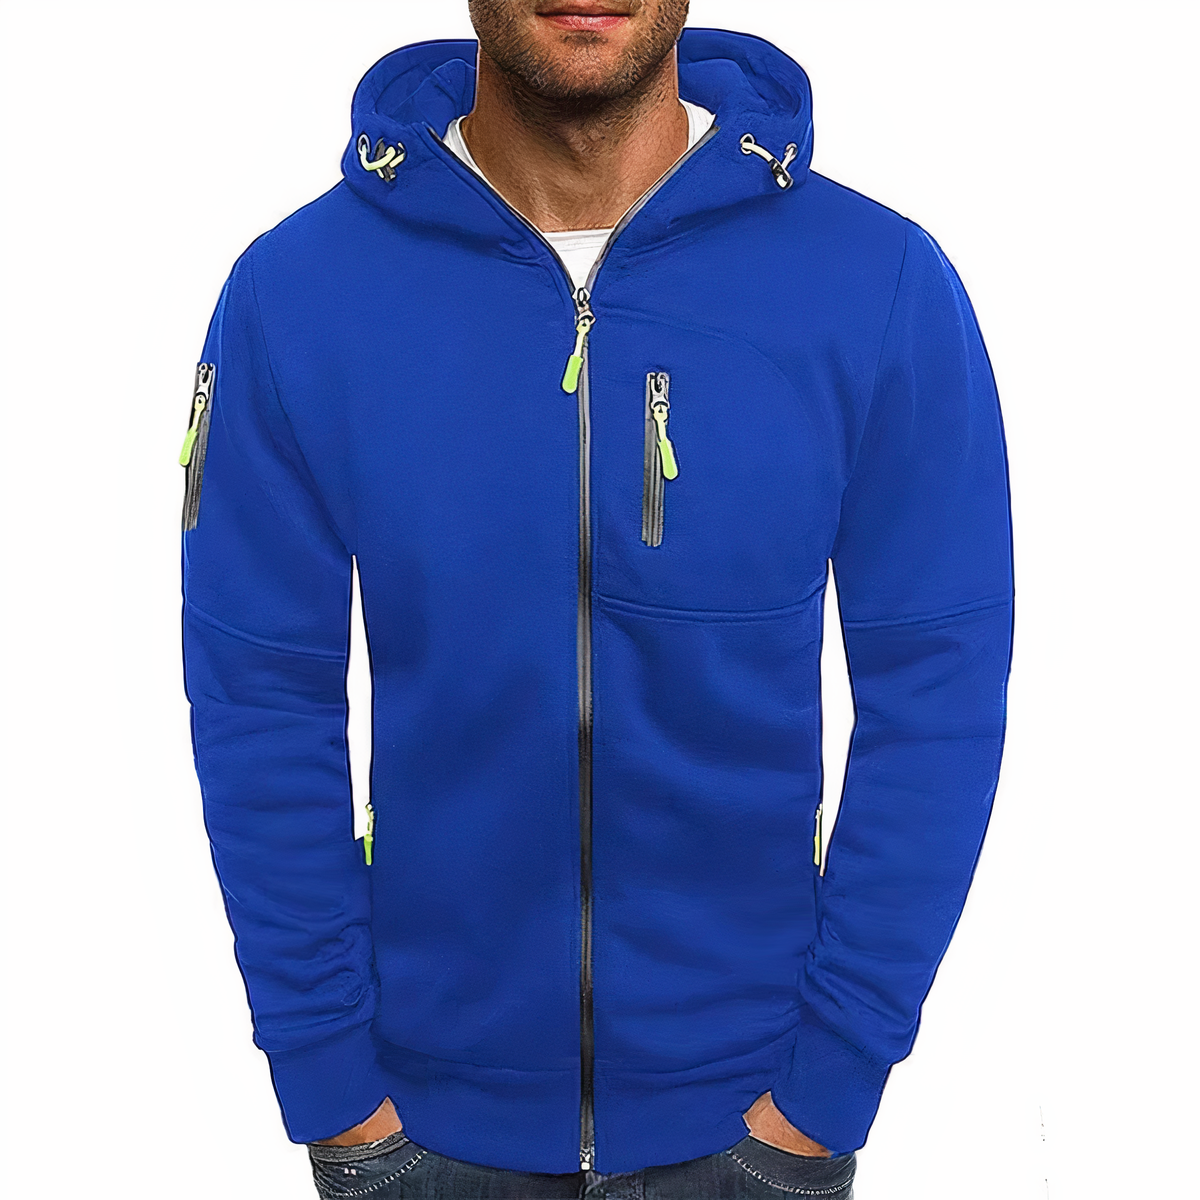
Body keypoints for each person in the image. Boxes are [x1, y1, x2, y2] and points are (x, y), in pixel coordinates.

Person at [180, 2, 1013, 1196]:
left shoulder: (877, 284)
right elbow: (259, 696)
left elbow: (938, 697)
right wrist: (332, 1089)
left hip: (754, 1122)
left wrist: (828, 1086)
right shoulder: (297, 293)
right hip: (417, 1127)